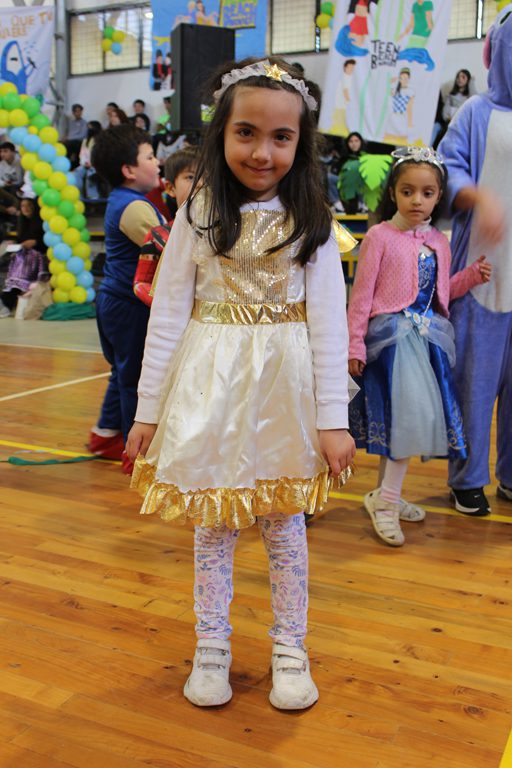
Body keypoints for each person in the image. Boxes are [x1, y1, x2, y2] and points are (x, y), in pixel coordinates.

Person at [126, 57, 356, 710]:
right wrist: (147, 411)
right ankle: (212, 645)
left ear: (300, 142)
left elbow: (329, 324)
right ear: (221, 134)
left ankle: (290, 647)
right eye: (246, 133)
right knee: (213, 525)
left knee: (285, 527)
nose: (262, 152)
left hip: (285, 392)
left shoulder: (312, 218)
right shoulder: (198, 213)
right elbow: (168, 315)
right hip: (211, 387)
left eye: (281, 137)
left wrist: (333, 420)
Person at [348, 147, 492, 547]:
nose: (417, 200)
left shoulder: (438, 242)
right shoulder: (379, 236)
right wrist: (354, 344)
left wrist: (470, 276)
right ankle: (386, 505)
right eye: (407, 191)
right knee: (404, 424)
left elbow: (441, 292)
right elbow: (361, 296)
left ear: (438, 195)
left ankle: (385, 496)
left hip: (426, 340)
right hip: (392, 342)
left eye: (427, 193)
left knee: (405, 424)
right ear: (393, 192)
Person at [438, 6, 512, 515]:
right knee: (474, 383)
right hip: (480, 274)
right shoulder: (475, 113)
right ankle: (467, 478)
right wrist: (477, 197)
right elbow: (446, 169)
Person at [86, 125, 165, 474]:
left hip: (114, 300)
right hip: (128, 304)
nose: (157, 162)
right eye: (150, 156)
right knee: (135, 378)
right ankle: (138, 457)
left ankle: (106, 434)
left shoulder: (126, 200)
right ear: (129, 170)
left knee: (123, 372)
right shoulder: (133, 207)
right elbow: (170, 250)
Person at [134, 147, 198, 306]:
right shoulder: (158, 236)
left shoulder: (228, 232)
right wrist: (167, 306)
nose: (201, 184)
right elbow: (141, 283)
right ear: (170, 188)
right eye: (191, 177)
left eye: (210, 178)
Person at [0, 198, 48, 318]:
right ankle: (5, 301)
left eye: (29, 206)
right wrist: (15, 242)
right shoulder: (23, 222)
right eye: (22, 206)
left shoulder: (43, 223)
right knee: (12, 264)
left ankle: (6, 303)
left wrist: (35, 242)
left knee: (21, 269)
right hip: (25, 257)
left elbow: (46, 243)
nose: (25, 208)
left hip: (40, 257)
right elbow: (22, 240)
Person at [74, 120, 103, 200]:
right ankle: (79, 197)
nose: (88, 129)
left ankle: (93, 197)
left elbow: (100, 155)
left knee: (90, 174)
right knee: (77, 173)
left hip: (96, 165)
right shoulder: (85, 140)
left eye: (90, 127)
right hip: (85, 164)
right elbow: (82, 154)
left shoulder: (101, 141)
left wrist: (92, 164)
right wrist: (84, 163)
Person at [62, 103, 88, 168]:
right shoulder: (71, 122)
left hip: (78, 142)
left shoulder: (84, 123)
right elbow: (69, 133)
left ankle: (69, 165)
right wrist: (66, 138)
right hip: (70, 141)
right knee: (60, 143)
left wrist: (68, 138)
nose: (78, 113)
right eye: (76, 111)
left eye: (79, 111)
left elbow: (83, 135)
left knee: (69, 144)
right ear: (73, 113)